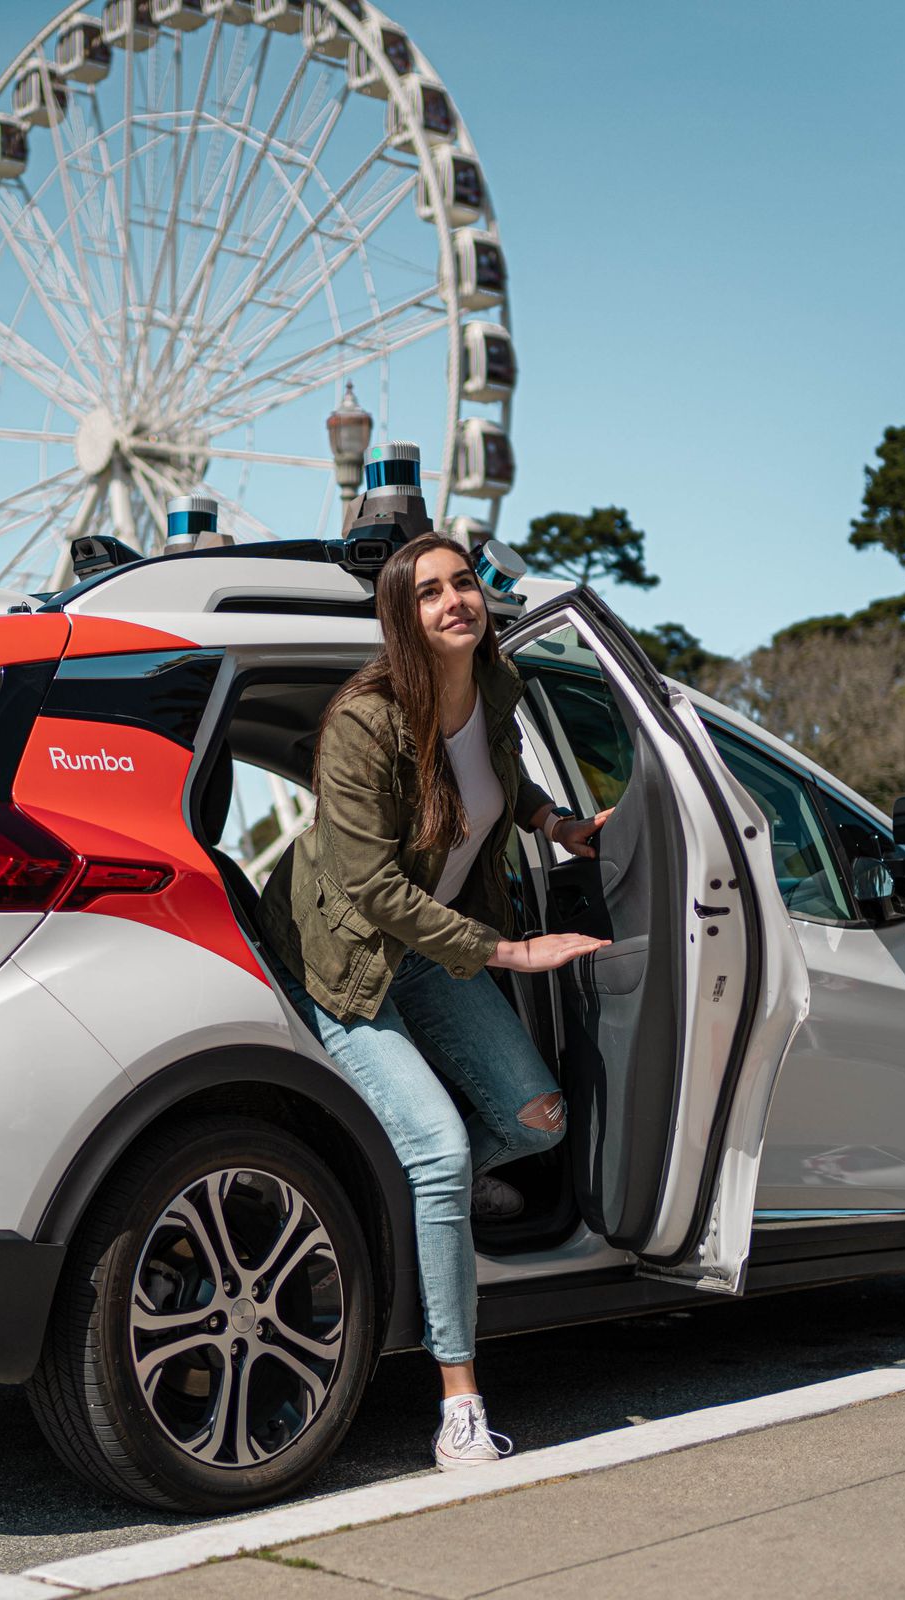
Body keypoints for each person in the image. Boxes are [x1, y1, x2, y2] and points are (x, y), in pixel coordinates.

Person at [258, 534, 612, 1473]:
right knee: (444, 1150)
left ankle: (420, 1185)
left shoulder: (497, 689)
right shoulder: (363, 724)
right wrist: (510, 950)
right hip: (346, 955)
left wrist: (557, 825)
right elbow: (370, 886)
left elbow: (504, 776)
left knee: (537, 1121)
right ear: (400, 618)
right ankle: (460, 1404)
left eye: (463, 584)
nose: (454, 601)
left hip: (432, 943)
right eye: (428, 593)